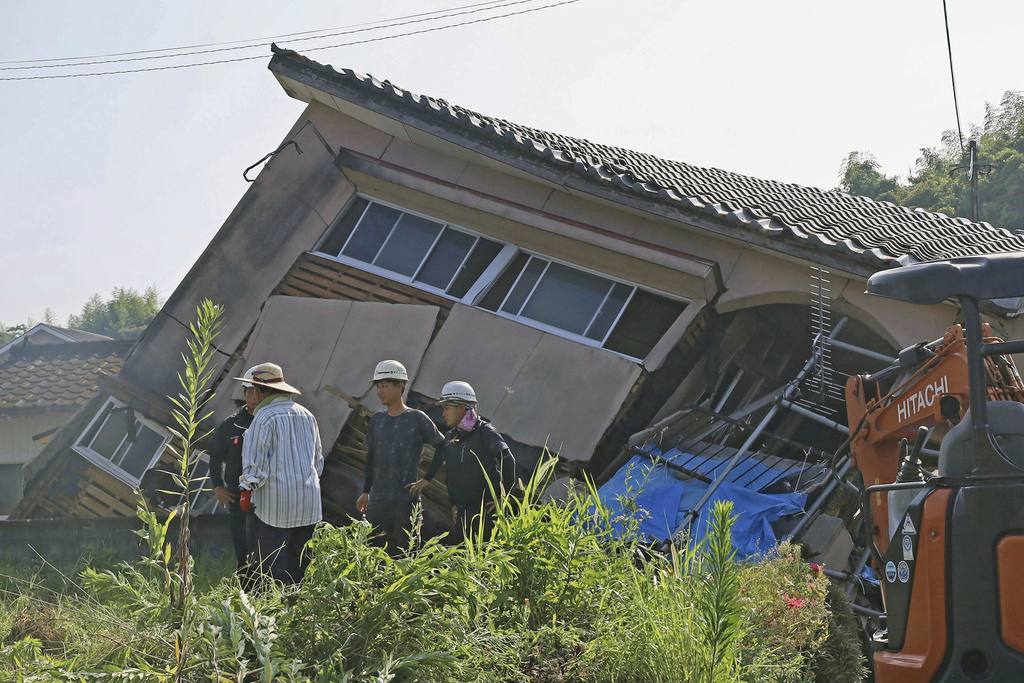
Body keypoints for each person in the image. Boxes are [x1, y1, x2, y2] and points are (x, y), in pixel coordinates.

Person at [237, 362, 323, 584]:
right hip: (309, 505)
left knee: (271, 569)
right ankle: (298, 612)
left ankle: (275, 613)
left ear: (258, 390)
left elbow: (255, 469)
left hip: (275, 508)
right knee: (301, 569)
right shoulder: (307, 415)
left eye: (252, 389)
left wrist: (246, 492)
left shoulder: (264, 417)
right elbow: (318, 463)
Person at [409, 381, 517, 544]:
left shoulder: (485, 432)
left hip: (485, 512)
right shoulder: (452, 436)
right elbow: (450, 471)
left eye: (447, 408)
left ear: (462, 407)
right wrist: (453, 503)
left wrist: (505, 496)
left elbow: (507, 459)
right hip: (462, 513)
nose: (443, 413)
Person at [357, 360, 445, 551]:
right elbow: (371, 457)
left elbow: (443, 445)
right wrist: (365, 491)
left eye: (386, 386)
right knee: (368, 552)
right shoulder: (377, 420)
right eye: (378, 386)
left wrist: (427, 479)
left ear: (401, 387)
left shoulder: (417, 418)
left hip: (406, 501)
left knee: (407, 553)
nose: (380, 391)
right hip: (378, 499)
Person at [207, 366, 258, 570]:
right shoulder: (231, 425)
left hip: (266, 495)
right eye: (250, 392)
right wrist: (218, 486)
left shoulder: (273, 422)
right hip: (237, 496)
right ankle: (246, 588)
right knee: (242, 546)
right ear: (244, 394)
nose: (255, 396)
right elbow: (215, 457)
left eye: (259, 392)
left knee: (265, 546)